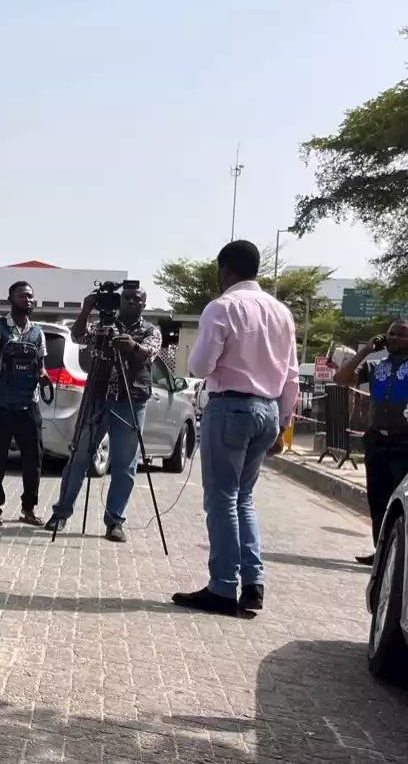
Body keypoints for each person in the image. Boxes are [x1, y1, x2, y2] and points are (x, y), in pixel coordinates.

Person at [174, 240, 298, 616]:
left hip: (231, 408)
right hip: (268, 411)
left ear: (225, 270)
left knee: (223, 499)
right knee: (243, 498)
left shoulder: (223, 307)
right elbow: (291, 375)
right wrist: (284, 424)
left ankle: (224, 587)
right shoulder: (282, 313)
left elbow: (198, 366)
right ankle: (253, 582)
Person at [44, 286, 162, 542]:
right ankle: (61, 514)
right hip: (97, 398)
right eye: (127, 298)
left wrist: (132, 346)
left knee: (124, 465)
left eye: (137, 300)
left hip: (130, 401)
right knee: (78, 457)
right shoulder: (102, 324)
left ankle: (115, 522)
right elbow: (77, 337)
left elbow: (150, 353)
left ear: (144, 304)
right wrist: (86, 310)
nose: (131, 302)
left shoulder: (150, 330)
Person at [0, 281, 53, 527]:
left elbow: (40, 366)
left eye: (31, 296)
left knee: (34, 459)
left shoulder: (37, 333)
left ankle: (28, 509)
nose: (28, 300)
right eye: (23, 296)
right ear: (10, 299)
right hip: (1, 404)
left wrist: (43, 376)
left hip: (28, 405)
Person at [333, 320, 408, 565]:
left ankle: (399, 557)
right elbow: (341, 378)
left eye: (401, 335)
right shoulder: (376, 367)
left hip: (404, 443)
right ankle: (382, 552)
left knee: (401, 502)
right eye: (391, 334)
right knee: (378, 499)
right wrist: (365, 351)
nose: (395, 338)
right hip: (377, 440)